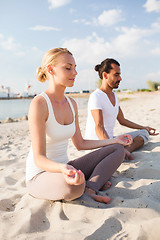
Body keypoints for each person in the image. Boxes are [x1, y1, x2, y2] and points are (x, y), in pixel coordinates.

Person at [26, 48, 133, 205]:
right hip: (41, 175)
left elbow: (80, 144)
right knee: (74, 187)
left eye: (75, 67)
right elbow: (39, 158)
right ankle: (87, 185)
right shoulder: (39, 104)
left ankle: (90, 188)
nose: (75, 72)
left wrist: (114, 140)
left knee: (117, 150)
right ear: (50, 69)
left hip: (68, 169)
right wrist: (63, 169)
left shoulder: (72, 103)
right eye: (68, 68)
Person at [85, 58, 158, 160]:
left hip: (111, 140)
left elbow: (122, 120)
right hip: (98, 144)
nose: (120, 78)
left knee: (144, 133)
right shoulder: (96, 96)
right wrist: (111, 146)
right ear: (105, 75)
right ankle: (118, 151)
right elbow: (99, 126)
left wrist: (144, 127)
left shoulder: (114, 96)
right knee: (120, 144)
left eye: (119, 75)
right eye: (116, 75)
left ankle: (125, 151)